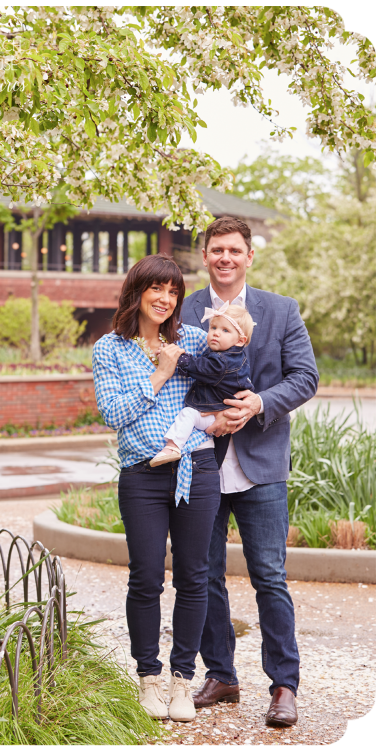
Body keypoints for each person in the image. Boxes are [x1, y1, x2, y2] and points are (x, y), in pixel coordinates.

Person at [181, 216, 319, 727]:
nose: (225, 258)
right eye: (216, 249)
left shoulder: (280, 311)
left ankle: (284, 686)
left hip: (262, 465)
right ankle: (221, 676)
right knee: (204, 574)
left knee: (270, 577)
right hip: (202, 462)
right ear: (205, 256)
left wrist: (259, 402)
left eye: (234, 250)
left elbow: (305, 377)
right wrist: (208, 417)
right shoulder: (186, 311)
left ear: (249, 256)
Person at [92, 254, 221, 723]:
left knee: (194, 575)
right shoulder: (110, 349)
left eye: (173, 291)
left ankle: (182, 681)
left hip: (198, 469)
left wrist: (230, 407)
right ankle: (148, 678)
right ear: (137, 291)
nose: (165, 299)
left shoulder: (191, 340)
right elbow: (113, 414)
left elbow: (223, 380)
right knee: (146, 576)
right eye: (156, 289)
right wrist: (162, 373)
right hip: (142, 474)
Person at [150, 303, 255, 467]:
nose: (216, 334)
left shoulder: (222, 362)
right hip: (222, 409)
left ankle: (173, 447)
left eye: (225, 330)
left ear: (241, 340)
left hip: (217, 414)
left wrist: (177, 357)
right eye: (213, 327)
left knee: (189, 414)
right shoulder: (233, 357)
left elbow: (199, 367)